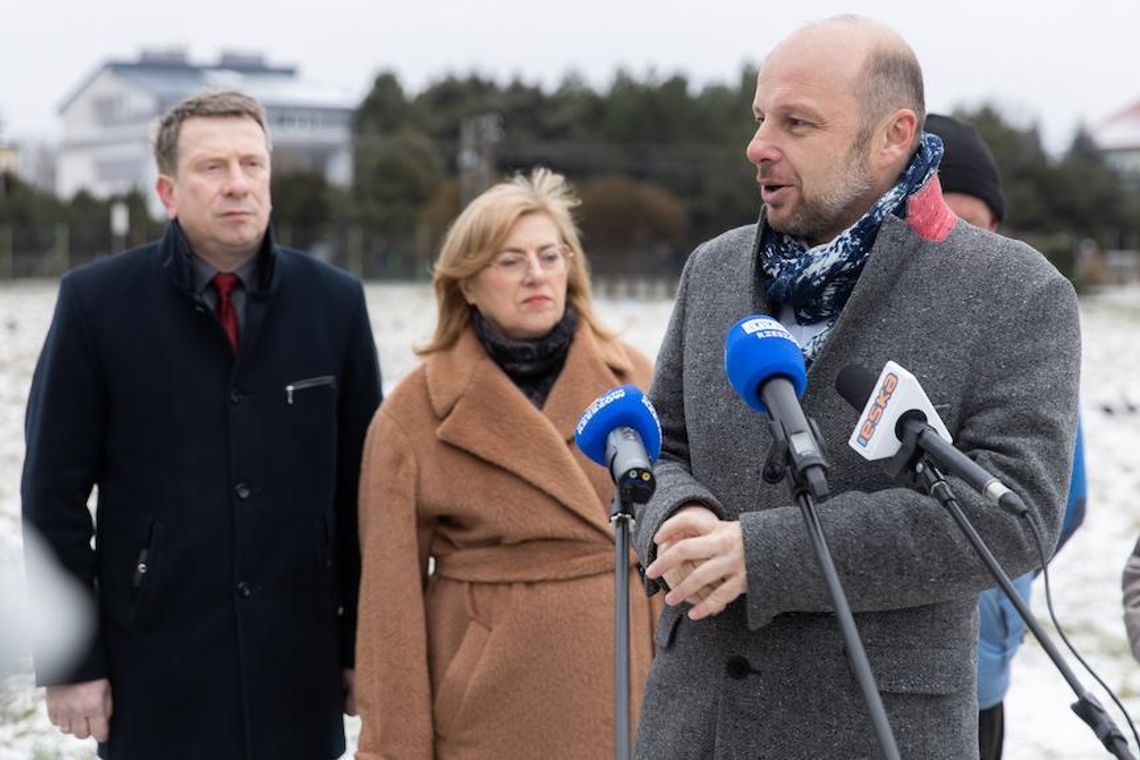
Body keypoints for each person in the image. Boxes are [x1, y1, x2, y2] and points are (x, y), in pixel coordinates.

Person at [632, 16, 1080, 759]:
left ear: (892, 135)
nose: (757, 146)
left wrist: (764, 554)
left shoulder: (1015, 292)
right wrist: (675, 515)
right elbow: (662, 444)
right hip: (694, 726)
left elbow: (1016, 517)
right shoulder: (712, 270)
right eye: (759, 118)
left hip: (877, 730)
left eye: (796, 122)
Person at [21, 90, 382, 759]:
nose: (238, 183)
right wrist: (71, 658)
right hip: (155, 660)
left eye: (252, 163)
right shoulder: (96, 306)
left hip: (297, 661)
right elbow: (52, 494)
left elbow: (362, 492)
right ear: (167, 189)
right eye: (213, 167)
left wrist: (364, 640)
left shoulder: (335, 303)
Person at [354, 168, 658, 759]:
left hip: (629, 686)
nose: (536, 274)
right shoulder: (412, 416)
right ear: (466, 284)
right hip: (486, 710)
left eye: (550, 255)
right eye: (510, 261)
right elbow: (389, 611)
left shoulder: (638, 382)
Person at [925, 112, 1088, 760]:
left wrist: (1000, 596)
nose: (961, 245)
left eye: (977, 226)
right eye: (942, 222)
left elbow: (1063, 501)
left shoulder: (1025, 332)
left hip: (980, 678)